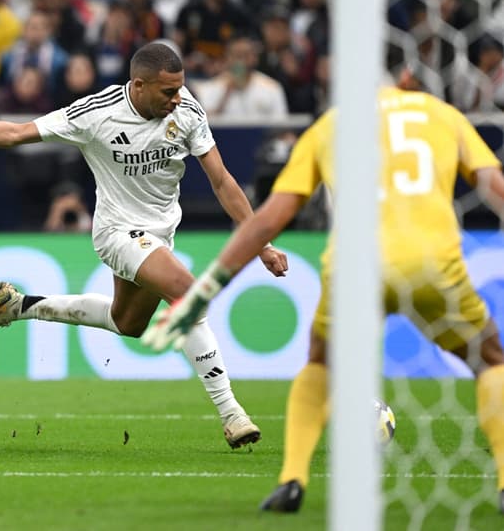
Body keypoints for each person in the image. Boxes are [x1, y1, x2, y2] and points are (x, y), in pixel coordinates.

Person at [141, 84, 504, 512]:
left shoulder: (332, 126)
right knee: (490, 359)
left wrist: (206, 289)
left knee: (319, 361)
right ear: (407, 77)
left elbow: (268, 220)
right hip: (434, 262)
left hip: (357, 266)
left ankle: (292, 480)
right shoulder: (444, 116)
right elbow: (494, 188)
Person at [0, 41, 289, 449]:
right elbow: (13, 133)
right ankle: (232, 413)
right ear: (139, 85)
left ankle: (20, 306)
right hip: (117, 232)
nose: (177, 98)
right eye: (168, 91)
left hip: (160, 233)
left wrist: (262, 242)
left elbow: (222, 181)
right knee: (188, 294)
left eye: (180, 89)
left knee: (127, 323)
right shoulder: (96, 112)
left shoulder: (186, 112)